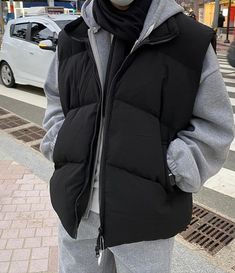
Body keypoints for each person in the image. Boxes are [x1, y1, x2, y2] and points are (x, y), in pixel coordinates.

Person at [40, 0, 235, 272]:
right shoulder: (73, 37)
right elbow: (56, 103)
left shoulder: (189, 41)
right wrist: (59, 145)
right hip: (76, 211)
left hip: (147, 219)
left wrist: (170, 169)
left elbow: (216, 126)